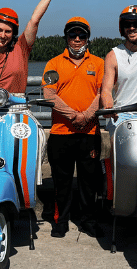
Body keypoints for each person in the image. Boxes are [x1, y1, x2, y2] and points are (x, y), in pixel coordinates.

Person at [41, 17, 105, 238]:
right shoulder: (53, 64)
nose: (77, 40)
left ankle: (88, 220)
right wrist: (73, 115)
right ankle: (61, 220)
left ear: (88, 38)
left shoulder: (98, 63)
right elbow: (49, 94)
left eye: (82, 35)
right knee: (62, 181)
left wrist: (87, 116)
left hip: (89, 132)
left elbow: (103, 93)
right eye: (72, 35)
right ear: (66, 37)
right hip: (61, 133)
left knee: (90, 181)